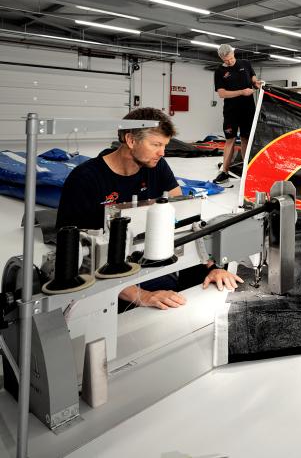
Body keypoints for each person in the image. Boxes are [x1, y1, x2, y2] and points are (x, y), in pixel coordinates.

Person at [56, 107, 242, 310]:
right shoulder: (85, 178)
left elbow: (184, 216)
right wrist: (142, 296)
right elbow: (72, 254)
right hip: (105, 273)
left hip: (148, 258)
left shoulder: (157, 166)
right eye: (156, 145)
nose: (162, 152)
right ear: (130, 140)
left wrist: (210, 267)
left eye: (165, 145)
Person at [213, 44, 261, 184]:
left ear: (233, 53)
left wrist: (256, 83)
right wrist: (241, 92)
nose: (230, 62)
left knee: (246, 139)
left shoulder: (245, 63)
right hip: (231, 111)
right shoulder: (219, 71)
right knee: (230, 140)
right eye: (226, 60)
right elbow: (222, 93)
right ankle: (224, 172)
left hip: (248, 109)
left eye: (231, 58)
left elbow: (252, 77)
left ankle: (247, 171)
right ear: (221, 58)